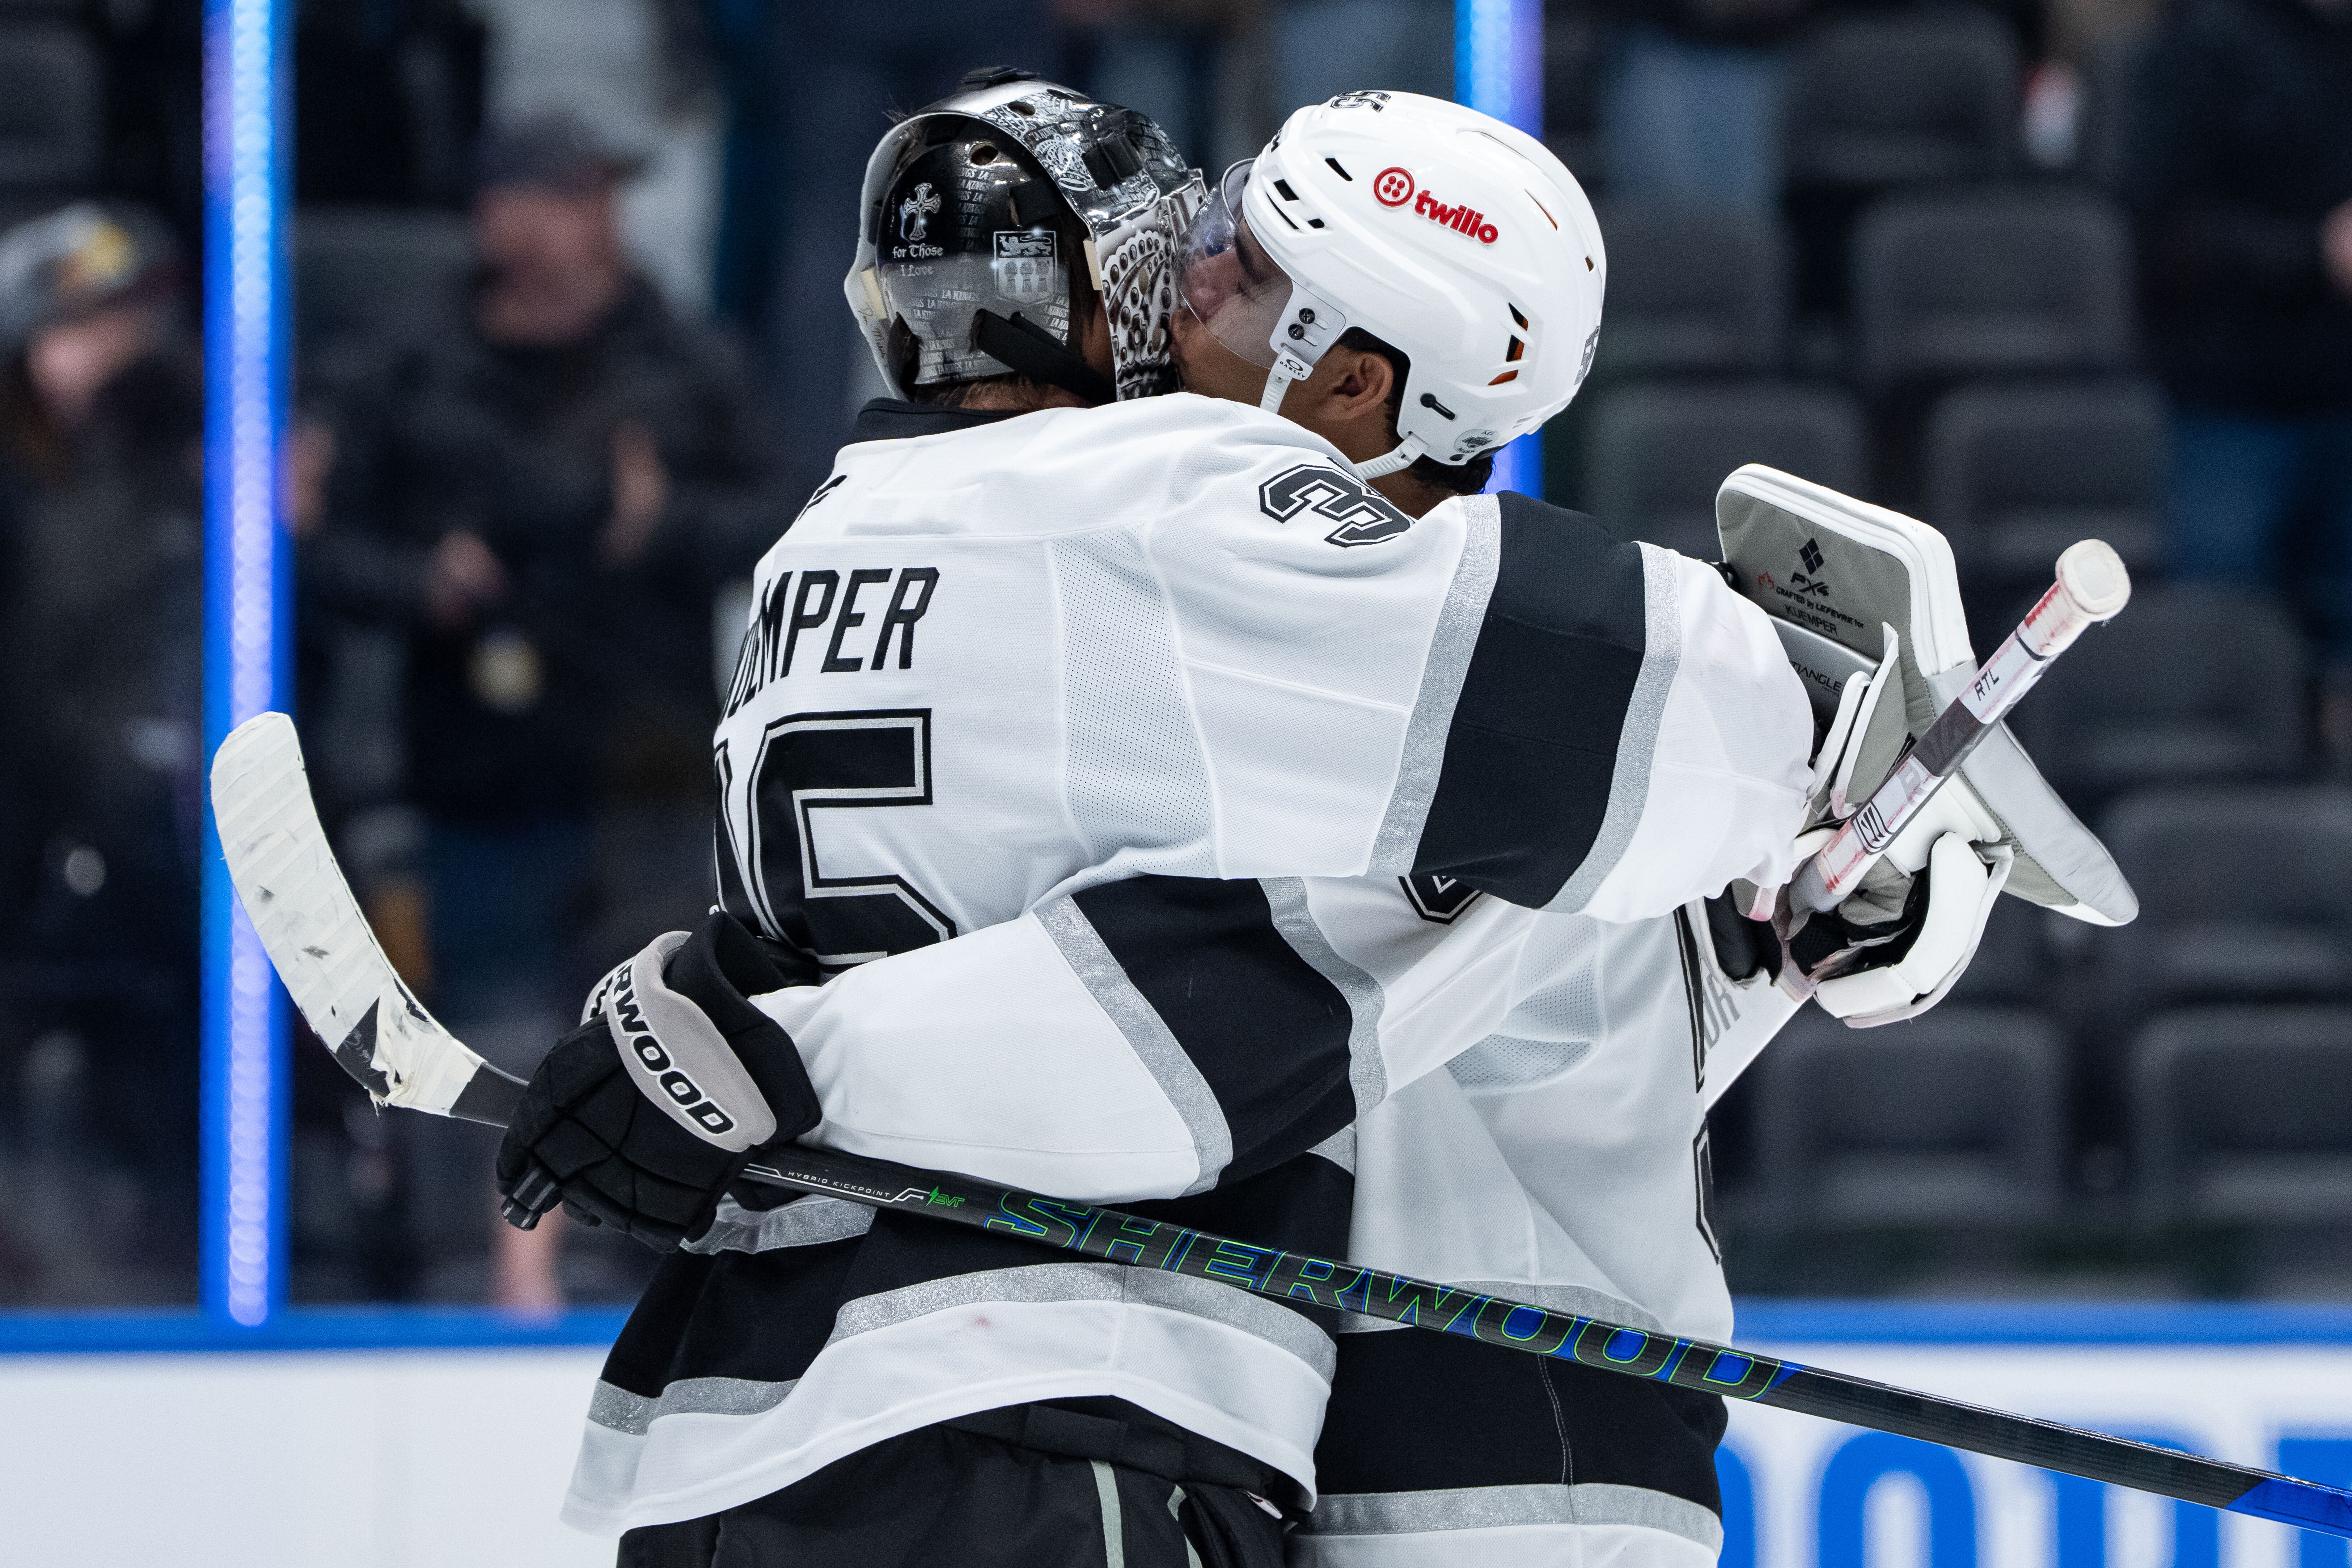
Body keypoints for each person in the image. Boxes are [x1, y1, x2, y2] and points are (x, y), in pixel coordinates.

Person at [485, 76, 2087, 1566]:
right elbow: (1229, 1007)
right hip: (1176, 1415)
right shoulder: (1291, 621)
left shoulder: (1244, 617)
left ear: (1348, 375)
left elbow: (1487, 995)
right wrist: (1838, 825)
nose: (1178, 281)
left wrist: (1786, 922)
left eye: (1237, 269)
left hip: (1449, 1472)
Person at [303, 110, 783, 1302]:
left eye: (605, 196)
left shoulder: (683, 355)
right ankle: (487, 1290)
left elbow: (786, 519)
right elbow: (317, 553)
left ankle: (663, 1290)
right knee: (494, 1046)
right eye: (570, 195)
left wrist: (657, 524)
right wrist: (431, 579)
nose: (597, 225)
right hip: (482, 773)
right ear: (502, 216)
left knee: (664, 1041)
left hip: (648, 769)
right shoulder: (409, 367)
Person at [0, 202, 206, 1294]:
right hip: (30, 841)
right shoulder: (27, 498)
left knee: (163, 1097)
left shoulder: (183, 466)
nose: (121, 349)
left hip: (141, 850)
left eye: (136, 319)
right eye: (90, 325)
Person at [2116, 0, 2352, 738]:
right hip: (2231, 409)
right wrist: (2314, 255)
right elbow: (2159, 235)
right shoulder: (2204, 45)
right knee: (2223, 667)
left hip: (2343, 404)